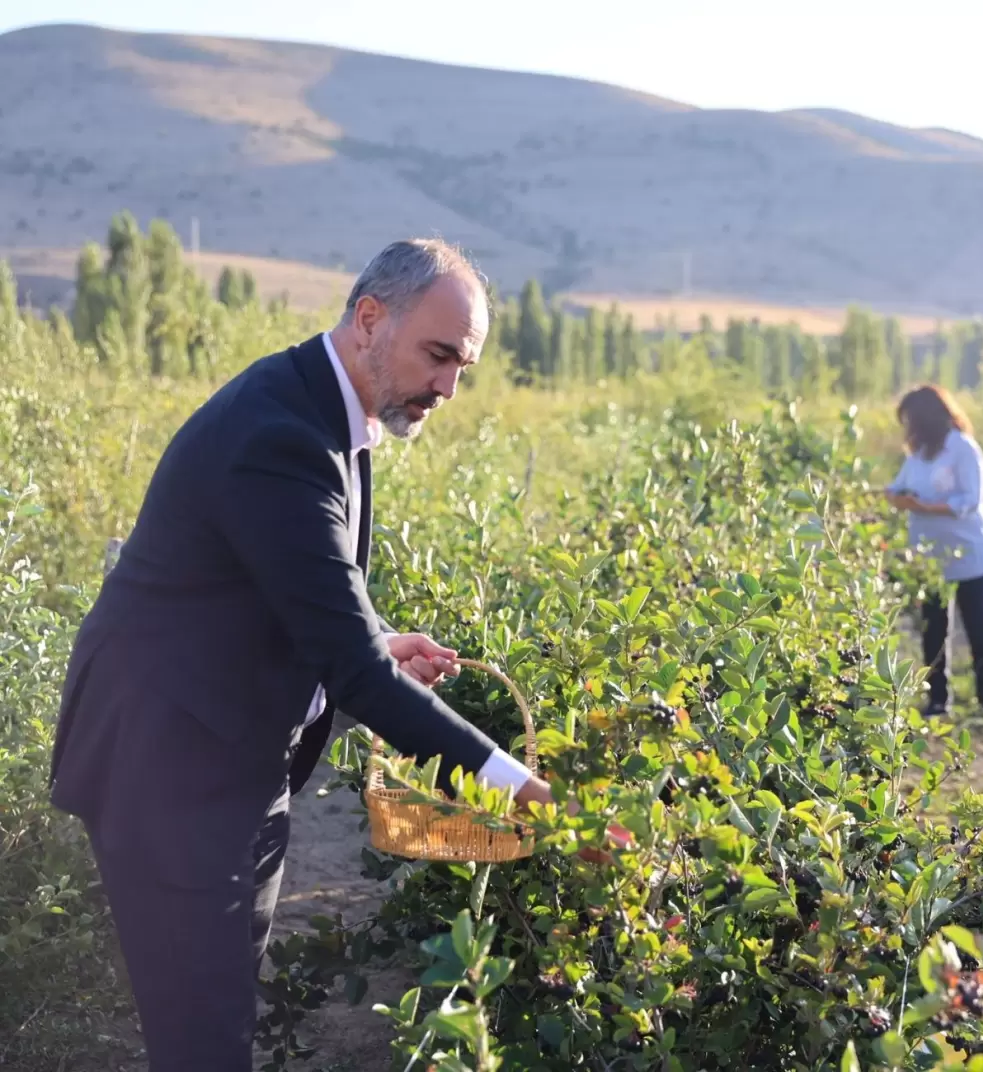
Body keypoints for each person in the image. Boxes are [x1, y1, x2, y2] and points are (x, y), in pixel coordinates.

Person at [48, 238, 620, 1071]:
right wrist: (524, 793)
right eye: (439, 355)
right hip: (170, 767)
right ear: (368, 320)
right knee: (202, 1042)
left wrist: (375, 637)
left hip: (235, 760)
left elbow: (287, 587)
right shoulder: (281, 432)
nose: (449, 387)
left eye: (464, 367)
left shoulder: (328, 412)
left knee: (217, 1022)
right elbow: (355, 674)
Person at [884, 384, 983, 718]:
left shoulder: (963, 449)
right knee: (933, 629)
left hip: (969, 555)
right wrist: (894, 498)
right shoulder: (919, 453)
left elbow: (968, 502)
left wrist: (921, 506)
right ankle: (938, 700)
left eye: (910, 420)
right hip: (930, 559)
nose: (908, 428)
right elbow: (897, 487)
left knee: (977, 624)